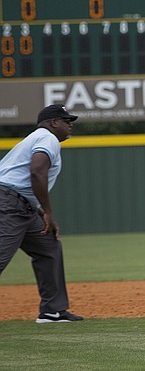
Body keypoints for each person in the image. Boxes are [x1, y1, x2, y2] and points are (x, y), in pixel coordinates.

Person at [0, 104, 84, 323]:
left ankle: (52, 311)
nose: (70, 126)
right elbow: (37, 172)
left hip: (21, 206)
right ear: (53, 122)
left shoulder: (37, 138)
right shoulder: (47, 138)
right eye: (67, 121)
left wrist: (42, 213)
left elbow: (21, 184)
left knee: (49, 247)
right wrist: (48, 211)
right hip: (7, 205)